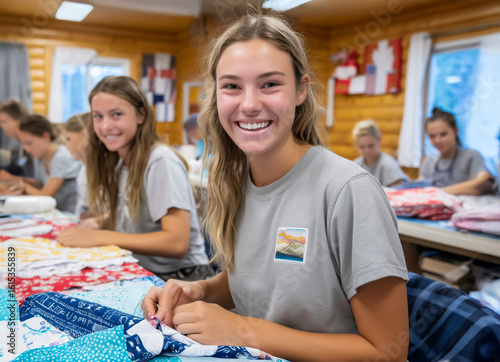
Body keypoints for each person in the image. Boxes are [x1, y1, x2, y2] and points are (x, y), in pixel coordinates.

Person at [141, 14, 408, 362]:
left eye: (269, 84)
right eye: (232, 86)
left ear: (301, 90)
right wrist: (200, 291)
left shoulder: (348, 191)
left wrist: (244, 330)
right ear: (216, 96)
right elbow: (262, 280)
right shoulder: (234, 181)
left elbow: (389, 352)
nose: (249, 104)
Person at [57, 76, 213, 281]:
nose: (105, 126)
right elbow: (136, 210)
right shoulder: (120, 162)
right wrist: (100, 221)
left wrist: (99, 236)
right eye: (98, 116)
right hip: (142, 268)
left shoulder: (159, 160)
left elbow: (177, 243)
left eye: (116, 114)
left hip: (183, 277)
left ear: (141, 115)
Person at [0, 114, 80, 213]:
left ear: (45, 137)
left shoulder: (62, 157)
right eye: (23, 144)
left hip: (69, 214)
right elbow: (40, 183)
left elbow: (46, 196)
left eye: (29, 143)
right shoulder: (39, 157)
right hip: (53, 212)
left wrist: (21, 184)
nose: (26, 149)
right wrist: (13, 179)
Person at [419, 107, 495, 195]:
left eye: (443, 134)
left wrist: (437, 192)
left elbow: (482, 181)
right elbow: (420, 187)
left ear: (455, 132)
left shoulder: (471, 156)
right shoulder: (429, 162)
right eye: (432, 136)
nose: (438, 140)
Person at [352, 119, 409, 187]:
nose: (367, 151)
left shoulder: (388, 164)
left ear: (379, 140)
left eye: (370, 146)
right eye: (362, 147)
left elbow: (399, 191)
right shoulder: (356, 165)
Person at [63, 112, 92, 218]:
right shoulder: (83, 167)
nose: (67, 146)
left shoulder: (100, 169)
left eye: (69, 139)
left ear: (85, 135)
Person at [0, 99, 33, 177]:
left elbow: (27, 171)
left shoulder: (32, 142)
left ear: (19, 119)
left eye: (4, 122)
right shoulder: (15, 141)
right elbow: (13, 160)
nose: (1, 126)